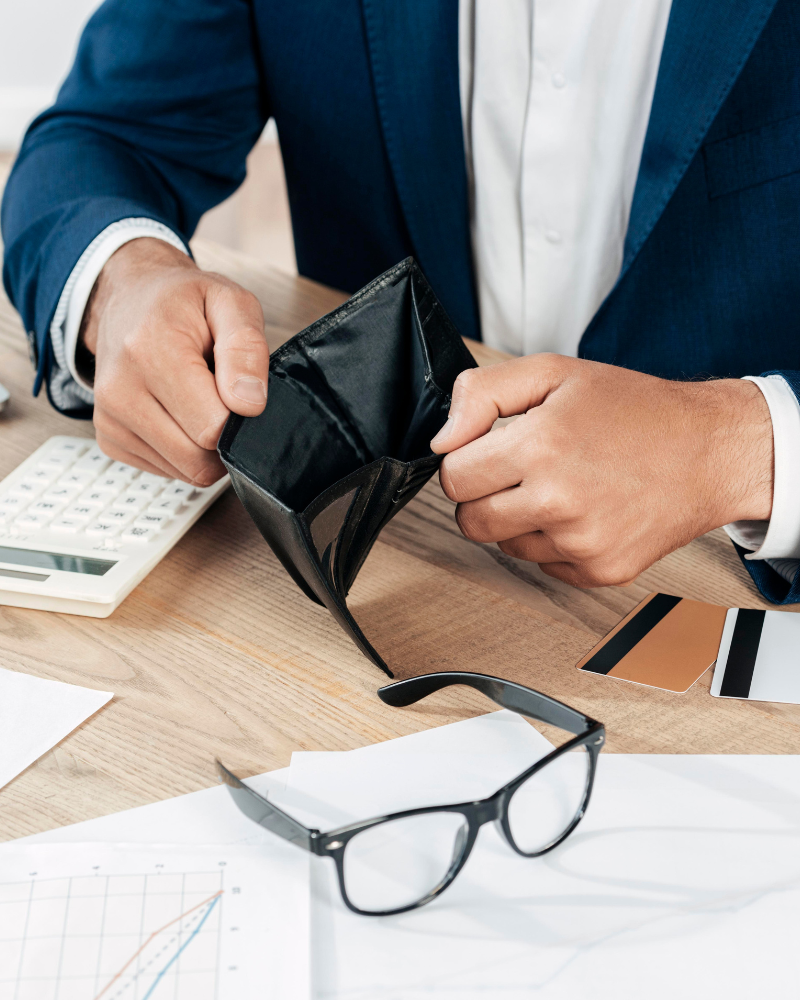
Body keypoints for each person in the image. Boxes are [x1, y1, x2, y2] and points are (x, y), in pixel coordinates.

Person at [1, 0, 798, 606]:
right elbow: (105, 135)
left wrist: (736, 448)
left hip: (731, 592)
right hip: (396, 576)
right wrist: (122, 283)